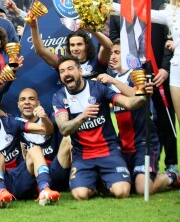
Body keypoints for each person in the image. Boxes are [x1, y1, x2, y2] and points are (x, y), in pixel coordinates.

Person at [52, 55, 152, 200]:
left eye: (70, 69)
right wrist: (83, 116)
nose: (66, 73)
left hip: (109, 151)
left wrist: (143, 95)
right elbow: (63, 128)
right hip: (83, 155)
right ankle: (97, 184)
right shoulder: (59, 96)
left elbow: (129, 103)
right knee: (80, 195)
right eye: (62, 71)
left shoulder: (98, 88)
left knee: (122, 192)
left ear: (80, 71)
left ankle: (105, 181)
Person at [110, 0, 178, 174]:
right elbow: (115, 41)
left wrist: (165, 68)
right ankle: (144, 167)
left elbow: (170, 40)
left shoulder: (160, 5)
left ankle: (172, 165)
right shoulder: (118, 12)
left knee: (165, 120)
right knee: (138, 121)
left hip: (159, 73)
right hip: (132, 76)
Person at [96, 40, 179, 194]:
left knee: (143, 189)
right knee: (124, 186)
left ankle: (171, 176)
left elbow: (138, 95)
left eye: (118, 53)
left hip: (144, 142)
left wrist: (114, 81)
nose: (113, 57)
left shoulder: (137, 74)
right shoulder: (109, 79)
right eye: (112, 53)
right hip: (122, 145)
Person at [0, 90, 60, 208]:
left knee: (35, 149)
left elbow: (47, 130)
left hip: (21, 178)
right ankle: (1, 193)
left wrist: (43, 117)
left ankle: (45, 189)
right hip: (1, 180)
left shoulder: (11, 123)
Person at [18, 88, 72, 193]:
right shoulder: (13, 123)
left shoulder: (49, 118)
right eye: (23, 99)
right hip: (31, 174)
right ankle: (38, 187)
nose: (27, 102)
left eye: (31, 99)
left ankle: (76, 180)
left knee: (69, 138)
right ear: (18, 104)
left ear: (38, 103)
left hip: (54, 170)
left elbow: (50, 129)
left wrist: (44, 117)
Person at [28, 16, 113, 79]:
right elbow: (40, 50)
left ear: (87, 46)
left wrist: (89, 29)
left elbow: (108, 46)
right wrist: (33, 26)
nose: (75, 48)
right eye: (72, 45)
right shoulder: (64, 62)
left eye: (79, 44)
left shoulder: (97, 61)